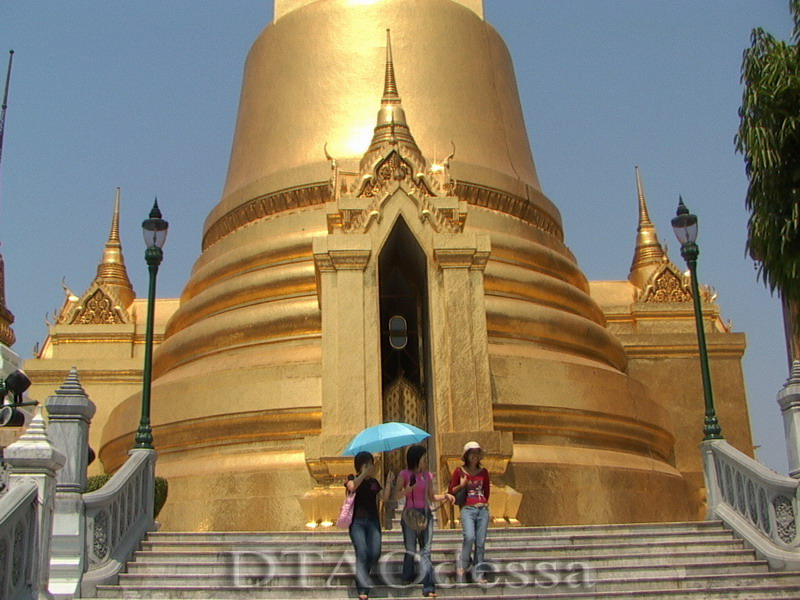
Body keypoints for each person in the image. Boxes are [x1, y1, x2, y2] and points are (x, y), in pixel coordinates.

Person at [396, 444, 454, 598]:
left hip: (425, 514)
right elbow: (396, 495)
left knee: (426, 551)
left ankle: (428, 586)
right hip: (409, 515)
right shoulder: (404, 474)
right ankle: (407, 576)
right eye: (423, 457)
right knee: (410, 549)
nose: (425, 460)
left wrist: (446, 496)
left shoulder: (427, 476)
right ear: (416, 459)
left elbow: (431, 497)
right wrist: (408, 488)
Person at [346, 451, 392, 600]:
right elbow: (352, 487)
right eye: (367, 464)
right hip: (357, 522)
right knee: (362, 551)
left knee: (374, 552)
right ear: (360, 465)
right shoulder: (352, 478)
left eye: (371, 465)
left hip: (373, 521)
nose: (370, 467)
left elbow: (384, 497)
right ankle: (363, 589)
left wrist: (390, 483)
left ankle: (361, 575)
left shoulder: (374, 482)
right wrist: (362, 474)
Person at [448, 441, 491, 584]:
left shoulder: (484, 472)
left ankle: (478, 573)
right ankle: (463, 563)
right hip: (467, 509)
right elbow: (451, 491)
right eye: (472, 453)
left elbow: (487, 491)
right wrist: (462, 484)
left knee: (481, 542)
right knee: (469, 537)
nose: (475, 456)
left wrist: (482, 503)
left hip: (482, 508)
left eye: (477, 453)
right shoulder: (459, 472)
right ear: (466, 455)